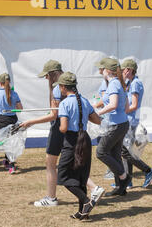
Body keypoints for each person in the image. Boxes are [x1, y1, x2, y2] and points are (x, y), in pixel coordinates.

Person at [20, 60, 105, 207]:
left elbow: (54, 116)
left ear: (53, 74)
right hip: (74, 130)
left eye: (47, 75)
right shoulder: (69, 88)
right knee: (74, 163)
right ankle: (93, 188)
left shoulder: (58, 89)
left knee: (51, 163)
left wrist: (31, 122)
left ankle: (52, 197)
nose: (46, 79)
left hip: (61, 129)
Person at [56, 72, 102, 219]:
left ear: (63, 87)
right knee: (81, 175)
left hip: (71, 140)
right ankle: (83, 212)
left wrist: (59, 123)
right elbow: (97, 120)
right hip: (85, 139)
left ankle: (87, 201)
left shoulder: (64, 104)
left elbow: (63, 128)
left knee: (63, 176)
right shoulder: (84, 100)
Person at [96, 58, 132, 197]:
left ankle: (124, 177)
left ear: (108, 71)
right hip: (121, 122)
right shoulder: (119, 83)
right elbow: (126, 107)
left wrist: (97, 113)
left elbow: (113, 104)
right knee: (115, 155)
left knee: (101, 152)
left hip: (116, 124)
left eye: (102, 68)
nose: (101, 71)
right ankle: (120, 187)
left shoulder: (113, 84)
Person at [121, 59, 152, 189]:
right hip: (129, 120)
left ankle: (148, 170)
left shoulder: (135, 83)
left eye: (123, 69)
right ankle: (128, 181)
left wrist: (122, 110)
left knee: (126, 152)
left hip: (131, 122)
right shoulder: (130, 83)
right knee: (126, 151)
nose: (121, 72)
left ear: (129, 70)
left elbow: (134, 105)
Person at [0, 72, 23, 174]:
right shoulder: (15, 94)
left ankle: (11, 165)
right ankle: (8, 161)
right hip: (13, 119)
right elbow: (20, 108)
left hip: (2, 120)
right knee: (11, 142)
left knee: (6, 142)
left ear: (0, 83)